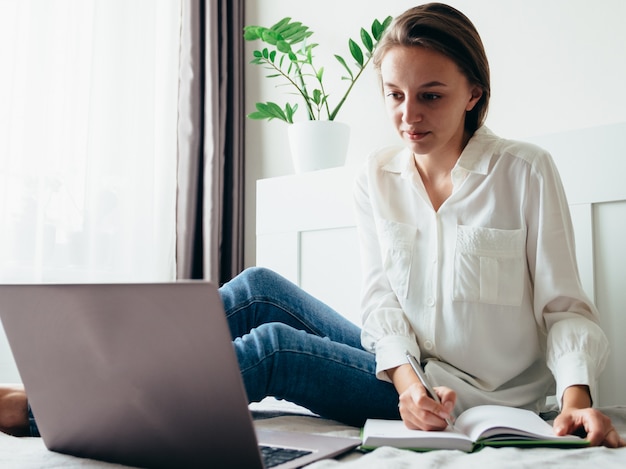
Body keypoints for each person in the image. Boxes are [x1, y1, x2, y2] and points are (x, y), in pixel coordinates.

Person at [0, 2, 623, 448]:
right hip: (403, 370)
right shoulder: (375, 176)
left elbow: (565, 309)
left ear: (474, 95)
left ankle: (51, 412)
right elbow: (382, 303)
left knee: (277, 350)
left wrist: (575, 402)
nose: (409, 115)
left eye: (431, 95)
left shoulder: (526, 171)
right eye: (394, 95)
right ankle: (70, 384)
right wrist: (404, 379)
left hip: (473, 401)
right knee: (259, 286)